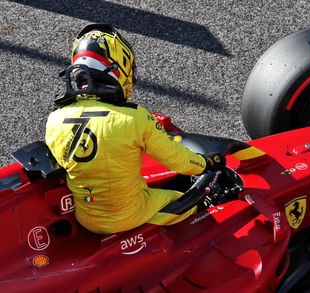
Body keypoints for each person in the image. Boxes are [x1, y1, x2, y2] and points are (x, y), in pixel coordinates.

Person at [45, 24, 224, 234]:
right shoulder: (133, 117)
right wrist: (206, 164)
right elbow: (181, 162)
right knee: (186, 200)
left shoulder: (55, 120)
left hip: (86, 219)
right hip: (128, 215)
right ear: (117, 68)